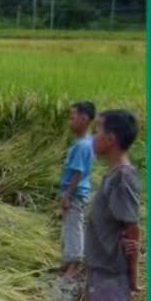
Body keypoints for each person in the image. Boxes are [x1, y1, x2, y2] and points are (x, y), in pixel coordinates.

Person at [80, 109, 141, 301]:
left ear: (111, 139)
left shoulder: (123, 179)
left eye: (98, 131)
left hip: (111, 269)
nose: (93, 137)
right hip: (100, 264)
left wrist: (133, 275)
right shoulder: (113, 174)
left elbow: (131, 229)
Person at [59, 101, 95, 280]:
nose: (70, 122)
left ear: (84, 119)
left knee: (73, 226)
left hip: (75, 194)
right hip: (76, 192)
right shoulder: (86, 142)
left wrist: (67, 195)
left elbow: (78, 172)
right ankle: (68, 260)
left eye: (72, 118)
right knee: (69, 225)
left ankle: (74, 264)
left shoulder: (82, 145)